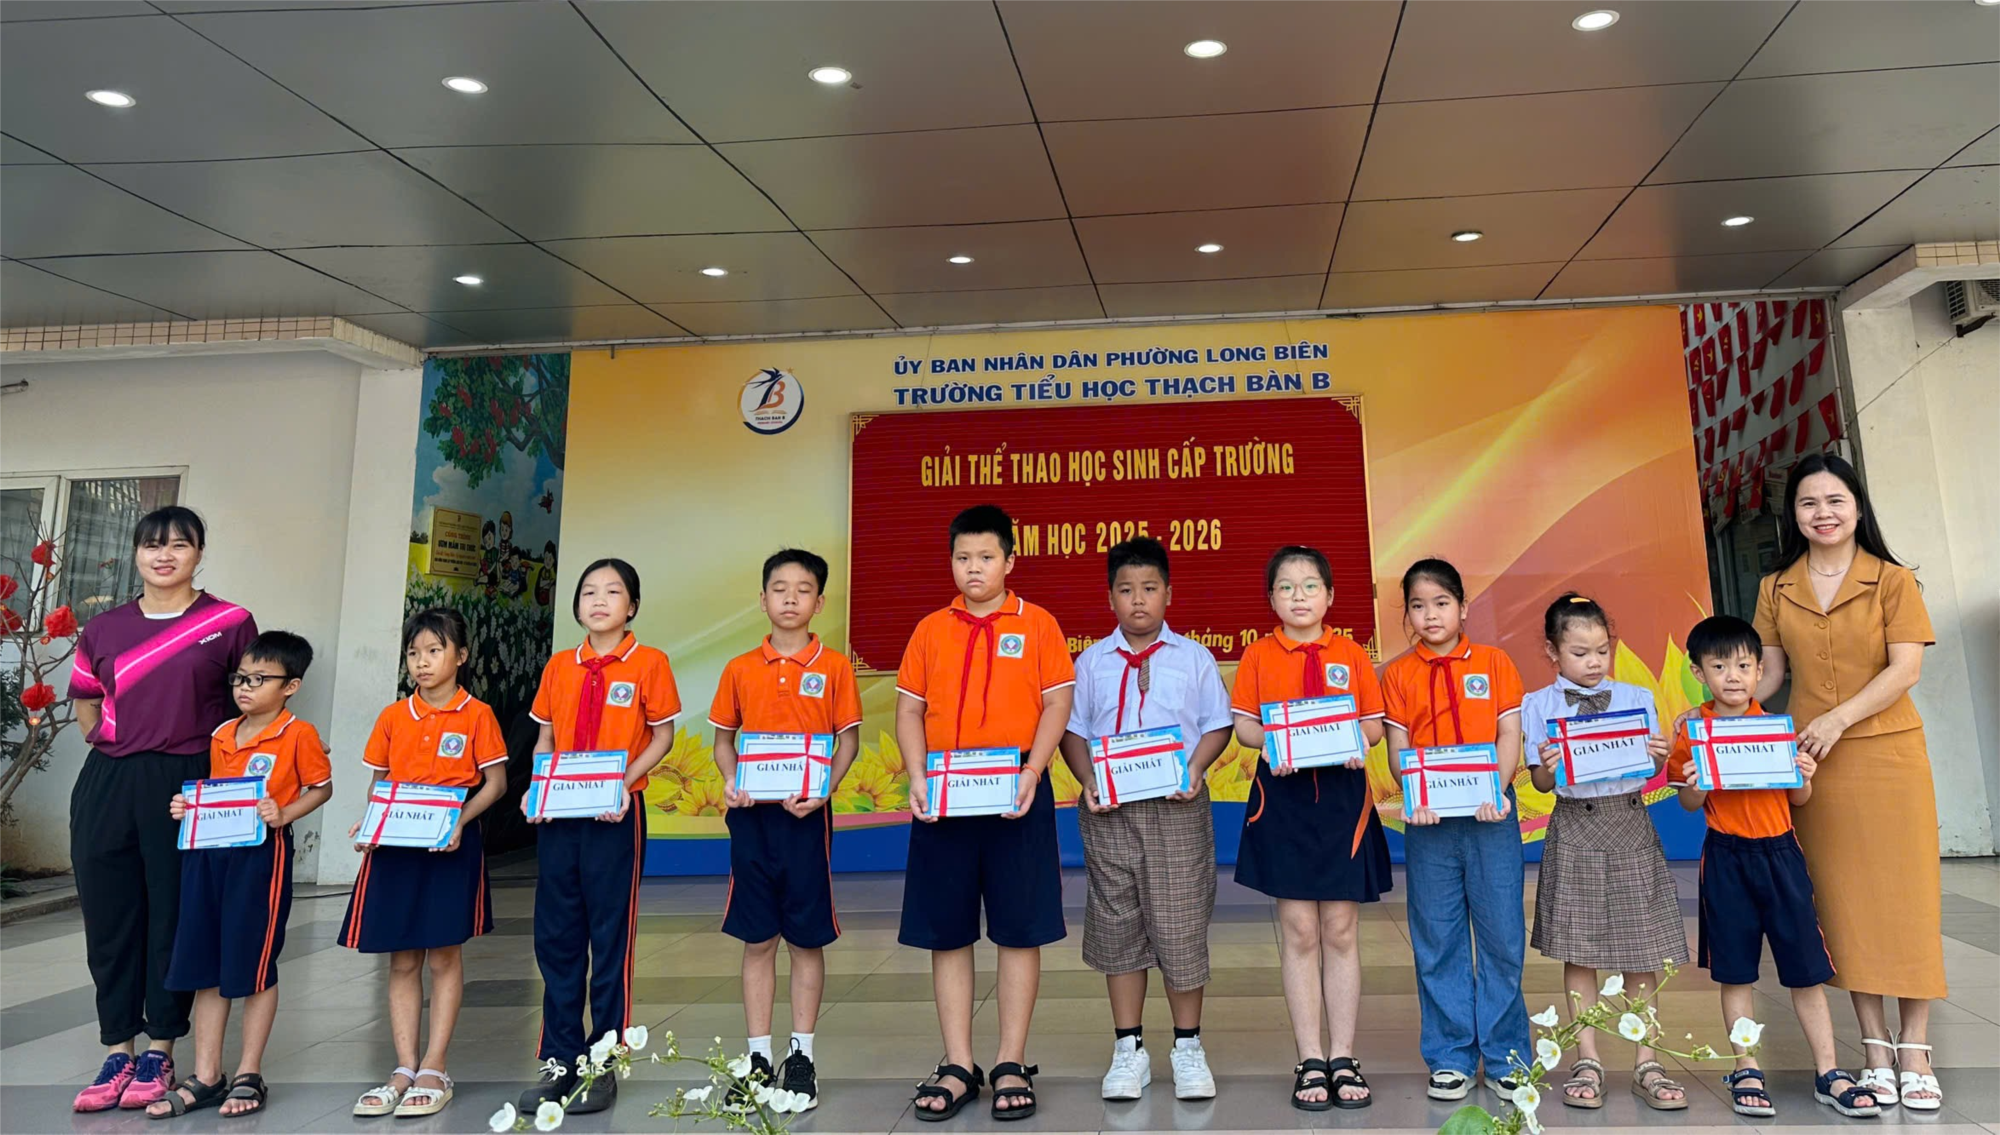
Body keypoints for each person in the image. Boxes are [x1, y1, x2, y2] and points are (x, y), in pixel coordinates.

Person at [1753, 454, 1941, 1111]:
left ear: (1858, 507)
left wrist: (1836, 718)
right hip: (1815, 766)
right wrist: (1712, 714)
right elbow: (1768, 676)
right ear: (1793, 514)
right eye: (1808, 503)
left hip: (1888, 756)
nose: (1822, 513)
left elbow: (1905, 669)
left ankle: (1915, 1047)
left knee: (1907, 899)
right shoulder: (1776, 586)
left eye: (1835, 500)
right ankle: (1874, 1047)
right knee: (1845, 904)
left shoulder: (1893, 579)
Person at [66, 505, 258, 1113]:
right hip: (109, 780)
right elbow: (86, 703)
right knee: (109, 918)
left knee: (173, 917)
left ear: (199, 553)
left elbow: (252, 704)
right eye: (153, 544)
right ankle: (117, 1049)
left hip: (187, 781)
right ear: (137, 553)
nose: (164, 555)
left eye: (179, 544)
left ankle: (161, 1048)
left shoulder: (229, 623)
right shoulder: (104, 628)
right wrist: (110, 741)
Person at [896, 504, 1074, 1122]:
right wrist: (916, 776)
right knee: (948, 930)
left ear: (1010, 561)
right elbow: (910, 710)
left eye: (986, 557)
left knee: (1019, 928)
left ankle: (1009, 1062)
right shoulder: (929, 629)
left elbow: (1057, 704)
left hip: (1016, 790)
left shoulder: (1039, 624)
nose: (974, 568)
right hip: (944, 794)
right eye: (963, 558)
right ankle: (957, 1064)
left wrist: (1033, 771)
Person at [1668, 615, 1878, 1119]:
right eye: (1719, 666)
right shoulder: (1692, 733)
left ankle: (1829, 1072)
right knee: (1735, 971)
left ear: (1761, 670)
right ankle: (1746, 1068)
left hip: (1781, 853)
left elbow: (1798, 798)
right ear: (1699, 672)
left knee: (1806, 969)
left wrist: (1804, 774)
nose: (1733, 676)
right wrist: (1695, 783)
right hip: (1726, 857)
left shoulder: (1777, 729)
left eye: (1744, 666)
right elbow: (1688, 804)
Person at [1056, 538, 1232, 1103]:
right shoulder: (1090, 663)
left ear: (1168, 594)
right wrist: (1088, 779)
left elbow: (1218, 723)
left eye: (1149, 589)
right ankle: (1128, 1049)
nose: (1138, 600)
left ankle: (1188, 1046)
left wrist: (1196, 768)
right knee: (1118, 924)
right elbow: (1073, 730)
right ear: (1110, 597)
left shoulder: (1194, 658)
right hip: (1110, 810)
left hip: (1177, 807)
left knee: (1181, 925)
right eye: (1126, 590)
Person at [1224, 546, 1390, 1110]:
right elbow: (1245, 726)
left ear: (1330, 595)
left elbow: (1373, 725)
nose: (1299, 596)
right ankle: (1310, 1058)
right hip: (1284, 798)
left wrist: (1356, 741)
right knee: (1298, 931)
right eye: (1287, 587)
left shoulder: (1352, 653)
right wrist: (1275, 743)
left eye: (1310, 585)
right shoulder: (1257, 655)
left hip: (1343, 802)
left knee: (1340, 929)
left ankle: (1343, 1056)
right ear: (1271, 598)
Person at [515, 559, 679, 1117]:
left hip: (616, 816)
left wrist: (625, 784)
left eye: (613, 591)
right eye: (589, 592)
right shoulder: (559, 665)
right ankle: (559, 1059)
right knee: (556, 937)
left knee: (609, 939)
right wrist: (536, 790)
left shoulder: (649, 662)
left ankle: (602, 1061)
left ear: (633, 606)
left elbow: (662, 736)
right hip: (560, 817)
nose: (600, 600)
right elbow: (545, 739)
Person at [149, 631, 331, 1119]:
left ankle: (249, 1072)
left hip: (261, 857)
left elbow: (322, 787)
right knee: (206, 960)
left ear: (290, 686)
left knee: (254, 962)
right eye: (240, 678)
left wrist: (284, 813)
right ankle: (207, 1075)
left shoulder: (299, 734)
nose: (245, 688)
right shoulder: (222, 734)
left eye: (258, 680)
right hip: (208, 854)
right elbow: (215, 793)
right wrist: (188, 807)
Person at [709, 549, 863, 1111]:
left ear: (819, 603)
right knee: (758, 939)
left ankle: (801, 1057)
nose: (790, 598)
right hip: (753, 819)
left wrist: (825, 789)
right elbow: (724, 740)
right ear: (762, 599)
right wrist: (732, 781)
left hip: (806, 818)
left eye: (803, 590)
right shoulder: (740, 668)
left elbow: (848, 740)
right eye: (779, 588)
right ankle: (756, 1059)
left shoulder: (835, 667)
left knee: (805, 937)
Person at [1521, 594, 1688, 1110]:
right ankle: (1587, 1058)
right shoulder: (1537, 705)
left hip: (1629, 822)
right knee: (1580, 947)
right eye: (1579, 653)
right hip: (1575, 825)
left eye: (1601, 651)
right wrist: (1547, 764)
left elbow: (1648, 771)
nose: (1593, 663)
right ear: (1553, 652)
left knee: (1643, 948)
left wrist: (1657, 756)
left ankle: (1648, 1061)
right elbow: (1541, 784)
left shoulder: (1637, 696)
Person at [341, 608, 508, 1119]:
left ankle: (435, 1066)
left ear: (461, 656)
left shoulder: (477, 714)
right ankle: (403, 1068)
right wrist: (371, 824)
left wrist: (460, 821)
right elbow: (379, 784)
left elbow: (496, 784)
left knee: (444, 957)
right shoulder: (394, 716)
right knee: (402, 959)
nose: (422, 662)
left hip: (449, 846)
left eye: (434, 651)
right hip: (396, 849)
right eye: (414, 653)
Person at [1379, 558, 1529, 1103]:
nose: (1430, 615)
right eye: (1418, 606)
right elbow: (1398, 751)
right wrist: (1415, 796)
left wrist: (1497, 789)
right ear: (1407, 615)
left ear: (1463, 607)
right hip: (1431, 825)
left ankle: (1508, 1055)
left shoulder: (1494, 662)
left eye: (1441, 603)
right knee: (1437, 939)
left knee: (1502, 937)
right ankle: (1450, 1057)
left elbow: (1509, 733)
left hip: (1491, 818)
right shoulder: (1397, 674)